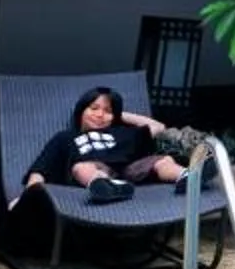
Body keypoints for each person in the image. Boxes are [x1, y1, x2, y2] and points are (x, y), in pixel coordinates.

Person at [25, 86, 189, 204]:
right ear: (81, 110)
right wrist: (28, 198)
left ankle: (189, 176)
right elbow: (40, 169)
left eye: (107, 111)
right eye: (94, 108)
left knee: (161, 160)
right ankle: (104, 185)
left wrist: (120, 115)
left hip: (127, 170)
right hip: (92, 171)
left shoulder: (122, 132)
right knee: (82, 168)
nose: (100, 114)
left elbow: (159, 127)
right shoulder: (65, 137)